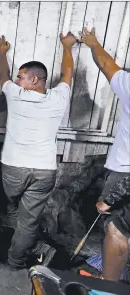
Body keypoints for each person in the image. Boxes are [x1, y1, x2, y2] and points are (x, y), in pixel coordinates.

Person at [0, 32, 77, 270]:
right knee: (28, 221)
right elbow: (67, 74)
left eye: (21, 77)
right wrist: (67, 47)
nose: (17, 81)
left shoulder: (15, 95)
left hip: (13, 169)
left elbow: (3, 75)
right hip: (44, 170)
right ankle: (16, 259)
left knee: (12, 208)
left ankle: (15, 241)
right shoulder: (58, 98)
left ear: (35, 80)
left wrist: (1, 53)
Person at [79, 27, 130, 282]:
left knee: (118, 233)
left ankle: (108, 287)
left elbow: (107, 65)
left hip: (124, 173)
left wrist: (92, 43)